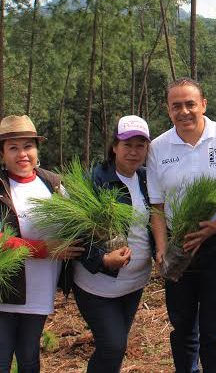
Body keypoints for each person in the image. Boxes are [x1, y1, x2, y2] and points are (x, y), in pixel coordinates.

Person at [147, 77, 216, 373]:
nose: (184, 111)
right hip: (179, 245)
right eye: (176, 106)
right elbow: (157, 206)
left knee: (214, 331)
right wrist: (162, 250)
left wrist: (215, 227)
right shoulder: (158, 147)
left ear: (203, 104)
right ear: (168, 110)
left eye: (190, 104)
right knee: (182, 328)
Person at [0, 115, 83, 373]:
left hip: (39, 289)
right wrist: (47, 249)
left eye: (28, 146)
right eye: (13, 148)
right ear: (2, 153)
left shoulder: (53, 184)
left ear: (36, 149)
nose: (22, 154)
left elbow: (73, 225)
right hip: (2, 293)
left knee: (30, 358)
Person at [72, 115, 152, 373]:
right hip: (98, 287)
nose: (133, 151)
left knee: (116, 349)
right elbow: (75, 232)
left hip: (134, 283)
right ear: (114, 146)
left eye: (140, 145)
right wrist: (102, 260)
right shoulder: (94, 179)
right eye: (127, 144)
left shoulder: (147, 179)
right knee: (113, 346)